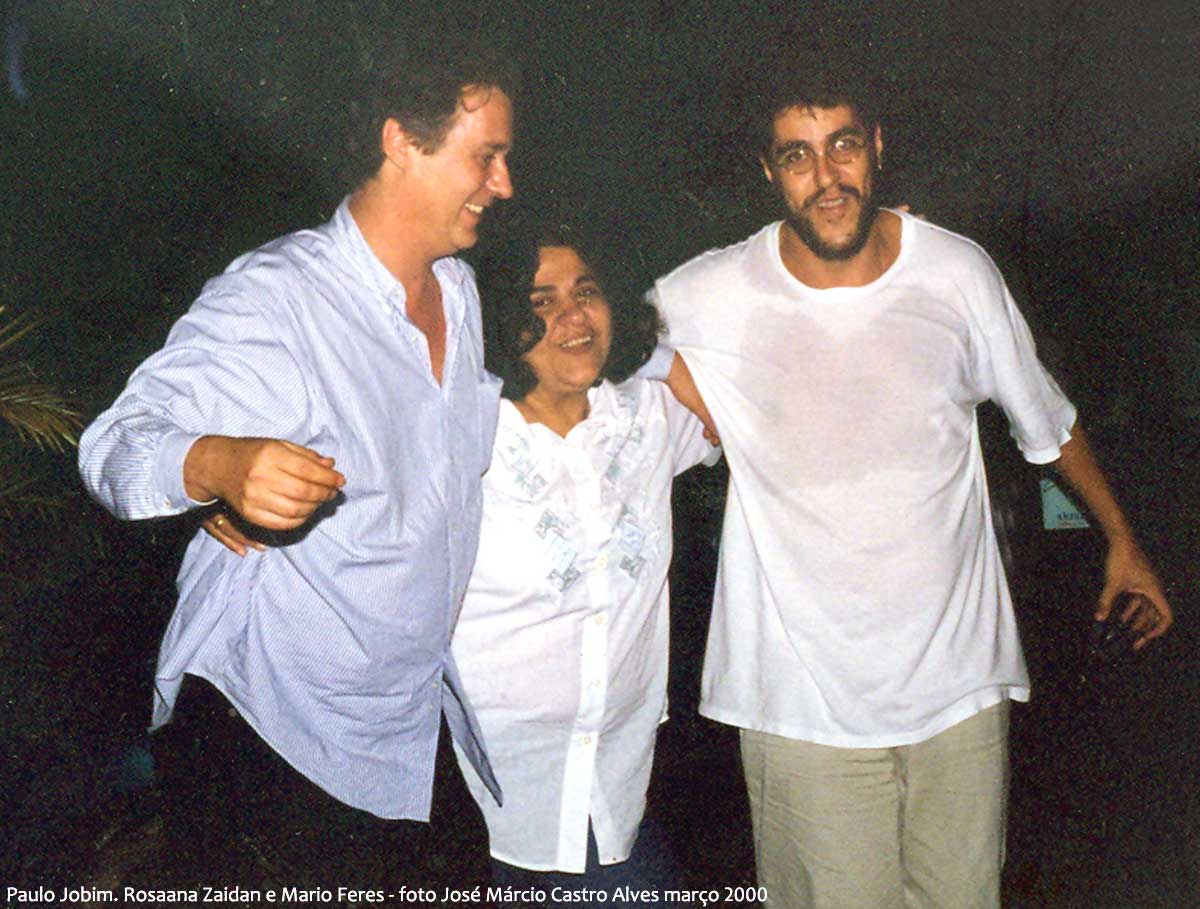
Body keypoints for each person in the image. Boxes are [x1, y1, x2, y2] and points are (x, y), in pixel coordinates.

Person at [647, 51, 1173, 908]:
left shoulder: (956, 272)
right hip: (803, 707)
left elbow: (1047, 421)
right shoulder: (710, 293)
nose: (827, 178)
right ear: (769, 171)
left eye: (844, 144)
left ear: (878, 146)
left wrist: (1123, 542)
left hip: (960, 694)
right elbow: (591, 346)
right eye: (797, 155)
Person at [77, 39, 515, 890]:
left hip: (403, 719)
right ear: (402, 141)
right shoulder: (277, 295)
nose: (504, 184)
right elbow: (114, 442)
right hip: (274, 726)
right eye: (486, 156)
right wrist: (217, 464)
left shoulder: (458, 294)